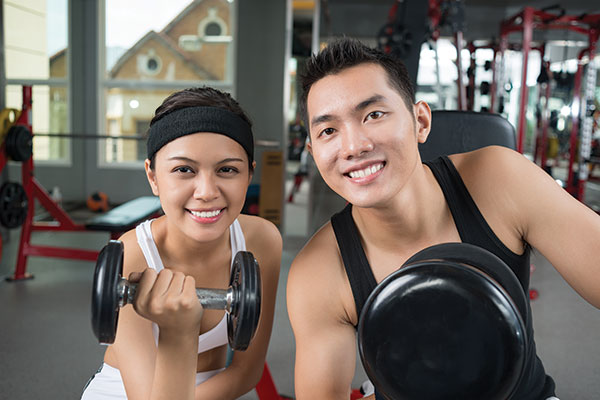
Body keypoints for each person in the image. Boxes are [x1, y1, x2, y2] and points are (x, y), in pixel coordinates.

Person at [286, 37, 600, 399]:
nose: (354, 146)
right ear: (313, 151)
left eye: (373, 115)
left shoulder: (499, 180)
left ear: (420, 121)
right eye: (328, 130)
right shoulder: (319, 272)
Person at [81, 87, 282, 400]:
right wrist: (178, 331)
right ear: (153, 176)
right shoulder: (132, 255)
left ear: (249, 175)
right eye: (184, 170)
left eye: (227, 170)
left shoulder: (262, 241)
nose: (206, 191)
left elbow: (246, 372)